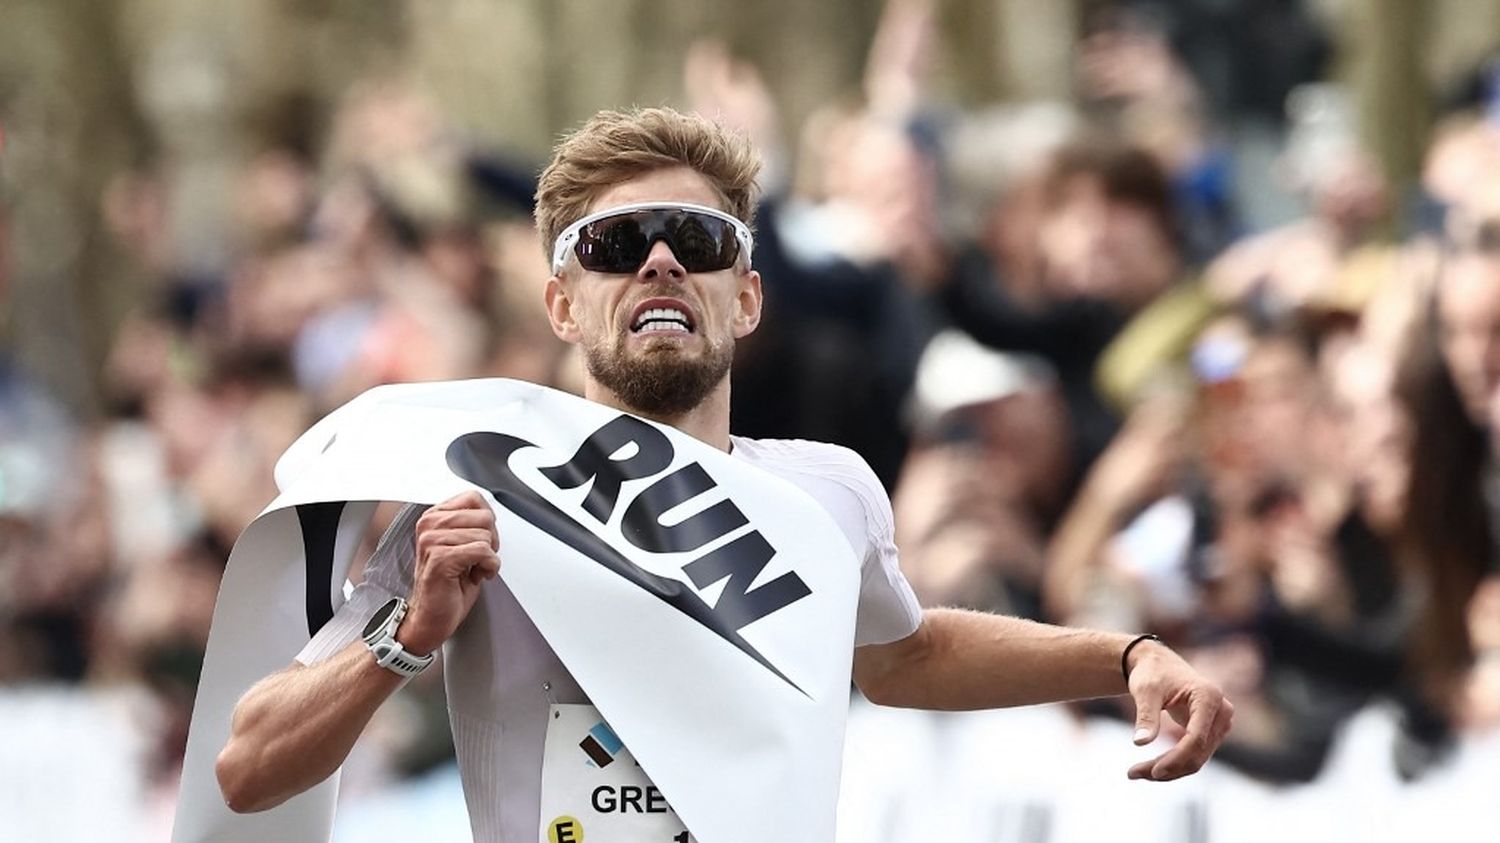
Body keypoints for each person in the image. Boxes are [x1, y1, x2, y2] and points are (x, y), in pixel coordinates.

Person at [213, 106, 1232, 841]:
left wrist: (1126, 655)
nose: (659, 265)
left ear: (743, 298)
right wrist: (406, 634)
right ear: (563, 307)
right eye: (613, 245)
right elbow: (248, 767)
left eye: (695, 241)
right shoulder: (488, 494)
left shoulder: (825, 493)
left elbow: (906, 658)